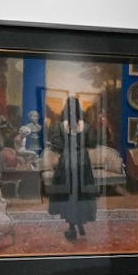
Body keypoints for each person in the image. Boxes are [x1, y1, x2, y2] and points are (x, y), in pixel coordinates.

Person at [47, 93, 100, 243]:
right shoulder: (87, 126)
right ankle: (79, 222)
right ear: (79, 110)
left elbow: (56, 146)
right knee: (81, 194)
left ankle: (72, 227)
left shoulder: (59, 127)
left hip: (67, 162)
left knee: (69, 194)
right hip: (82, 163)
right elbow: (92, 144)